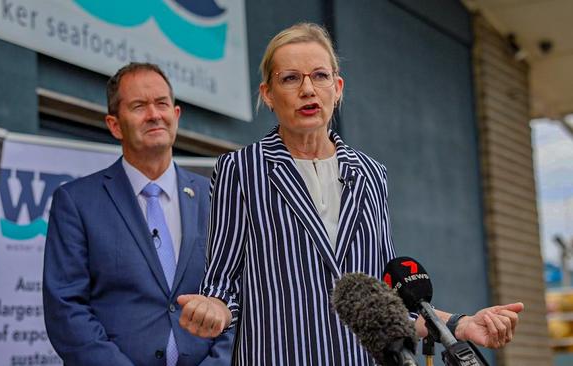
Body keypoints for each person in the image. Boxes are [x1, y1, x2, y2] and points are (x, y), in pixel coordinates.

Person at [177, 23, 523, 365]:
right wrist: (214, 308)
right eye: (291, 78)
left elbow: (387, 303)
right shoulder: (241, 169)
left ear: (337, 87)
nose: (308, 89)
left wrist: (461, 324)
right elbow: (221, 283)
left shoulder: (372, 174)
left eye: (320, 76)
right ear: (268, 93)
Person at [43, 62, 234, 366]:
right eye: (139, 106)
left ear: (176, 115)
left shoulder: (218, 198)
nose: (154, 114)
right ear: (115, 125)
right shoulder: (76, 202)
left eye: (162, 103)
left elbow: (239, 296)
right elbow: (66, 309)